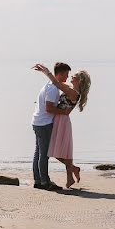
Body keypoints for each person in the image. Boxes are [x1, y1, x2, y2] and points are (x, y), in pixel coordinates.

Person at [33, 64, 92, 189]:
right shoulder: (70, 88)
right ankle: (71, 174)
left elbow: (56, 83)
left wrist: (47, 72)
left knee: (58, 151)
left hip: (62, 121)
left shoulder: (73, 92)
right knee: (59, 151)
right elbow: (56, 83)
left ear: (79, 80)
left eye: (74, 76)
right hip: (58, 119)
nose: (71, 77)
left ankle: (72, 170)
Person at [31, 62, 71, 190]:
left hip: (37, 121)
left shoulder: (50, 85)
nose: (67, 77)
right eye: (66, 74)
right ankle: (45, 182)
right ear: (59, 74)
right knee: (44, 154)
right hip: (44, 123)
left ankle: (38, 180)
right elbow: (49, 108)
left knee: (38, 153)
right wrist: (63, 112)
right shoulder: (53, 89)